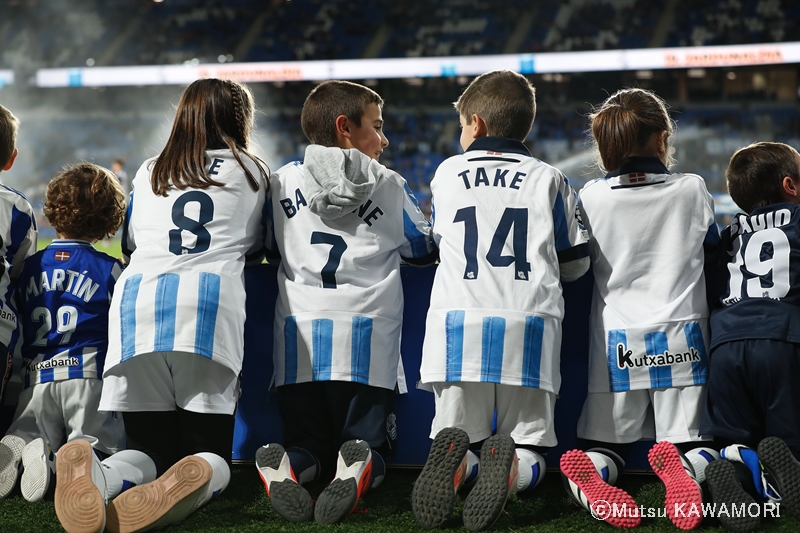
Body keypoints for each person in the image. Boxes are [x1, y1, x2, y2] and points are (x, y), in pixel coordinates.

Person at [54, 78, 270, 533]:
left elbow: (131, 243)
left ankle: (105, 473)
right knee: (209, 450)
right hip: (207, 307)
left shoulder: (150, 170)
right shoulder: (252, 171)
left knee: (147, 446)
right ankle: (190, 482)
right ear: (239, 120)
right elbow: (257, 247)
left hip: (138, 304)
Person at [412, 69, 590, 532]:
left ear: (477, 123)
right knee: (528, 442)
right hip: (528, 321)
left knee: (457, 433)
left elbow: (434, 241)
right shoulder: (550, 178)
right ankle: (511, 467)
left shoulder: (447, 171)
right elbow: (576, 264)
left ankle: (463, 466)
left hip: (457, 324)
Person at [256, 80, 436, 525]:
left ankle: (290, 466)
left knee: (306, 443)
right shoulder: (388, 184)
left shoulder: (280, 183)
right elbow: (422, 249)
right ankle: (356, 466)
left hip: (298, 345)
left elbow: (270, 251)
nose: (385, 138)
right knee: (368, 446)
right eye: (376, 126)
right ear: (345, 129)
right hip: (366, 343)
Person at [559, 87, 720, 530]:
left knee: (604, 445)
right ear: (663, 138)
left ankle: (592, 474)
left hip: (616, 339)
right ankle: (684, 470)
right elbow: (712, 250)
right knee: (693, 441)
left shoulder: (590, 196)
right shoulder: (692, 189)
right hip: (683, 334)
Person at [0, 163, 128, 505]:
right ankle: (59, 468)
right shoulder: (111, 269)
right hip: (88, 377)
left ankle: (26, 451)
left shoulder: (27, 268)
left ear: (53, 212)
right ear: (108, 219)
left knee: (27, 433)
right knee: (99, 450)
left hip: (36, 377)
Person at [700, 142, 800, 532]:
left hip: (726, 345)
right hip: (784, 339)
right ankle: (777, 481)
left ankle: (738, 464)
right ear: (790, 185)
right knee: (790, 441)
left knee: (731, 434)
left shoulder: (729, 234)